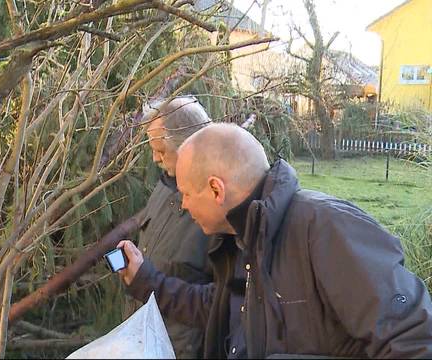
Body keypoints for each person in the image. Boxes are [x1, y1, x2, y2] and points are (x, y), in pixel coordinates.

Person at [118, 123, 432, 358]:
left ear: (216, 190)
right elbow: (218, 307)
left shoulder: (324, 227)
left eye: (186, 193)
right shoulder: (240, 240)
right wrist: (147, 281)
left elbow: (414, 339)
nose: (183, 205)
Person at [123, 96, 213, 358]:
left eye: (161, 151)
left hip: (181, 349)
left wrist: (148, 281)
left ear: (189, 147)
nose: (154, 159)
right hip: (144, 339)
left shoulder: (217, 208)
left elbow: (220, 303)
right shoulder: (165, 186)